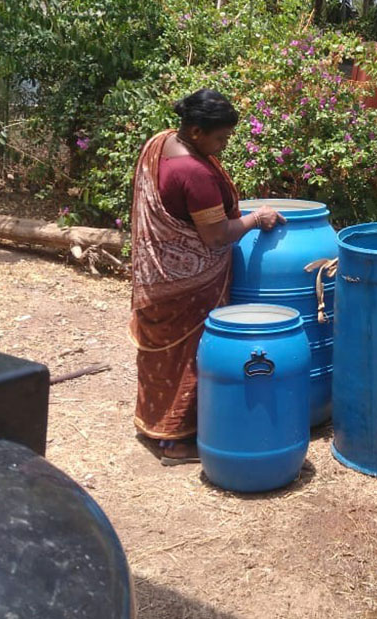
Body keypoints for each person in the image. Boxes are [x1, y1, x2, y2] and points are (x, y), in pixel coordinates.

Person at [129, 88, 285, 464]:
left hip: (156, 277)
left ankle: (155, 425)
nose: (226, 144)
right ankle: (177, 441)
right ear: (196, 132)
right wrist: (254, 219)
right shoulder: (193, 172)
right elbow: (216, 235)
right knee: (190, 356)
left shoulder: (163, 143)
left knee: (162, 358)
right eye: (221, 137)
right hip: (188, 287)